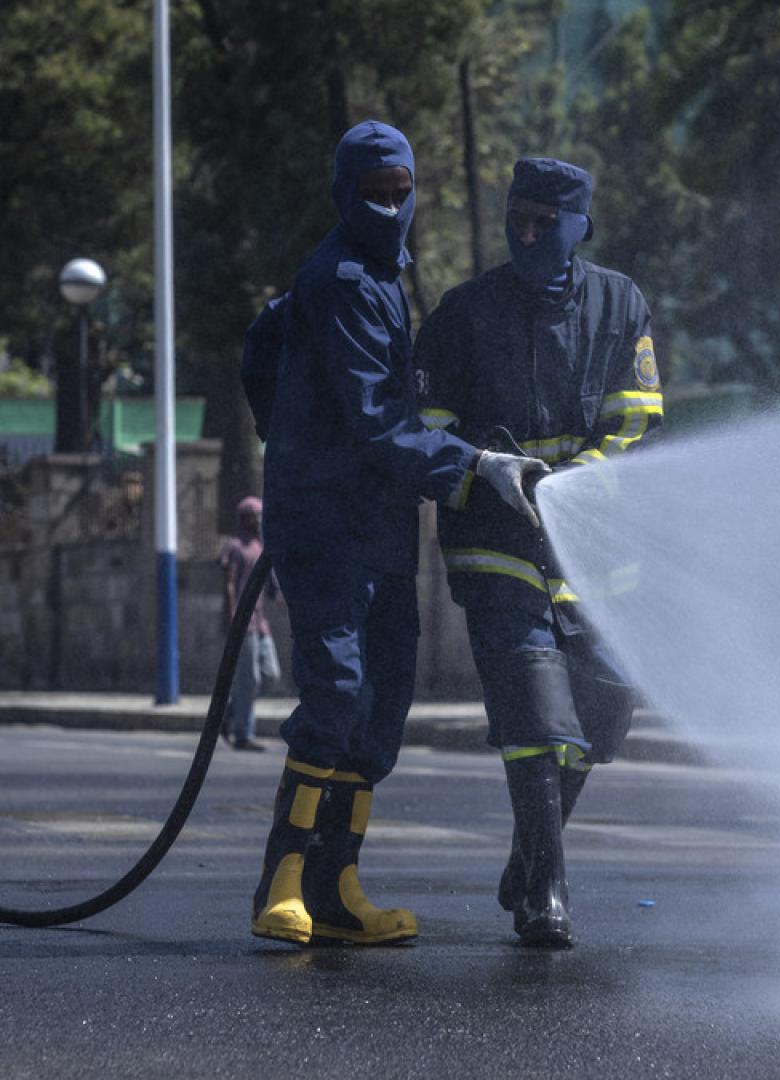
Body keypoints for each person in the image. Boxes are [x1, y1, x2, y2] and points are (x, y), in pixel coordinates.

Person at [250, 121, 545, 947]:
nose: (391, 205)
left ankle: (337, 889)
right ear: (346, 191)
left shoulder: (383, 276)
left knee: (380, 708)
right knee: (338, 692)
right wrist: (474, 462)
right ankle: (281, 883)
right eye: (375, 192)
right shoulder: (342, 278)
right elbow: (380, 420)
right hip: (326, 525)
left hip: (380, 525)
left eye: (401, 190)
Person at [415, 158, 660, 947]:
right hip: (496, 539)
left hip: (591, 545)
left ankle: (528, 853)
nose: (526, 233)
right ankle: (546, 892)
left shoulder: (621, 303)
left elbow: (635, 422)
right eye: (517, 218)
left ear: (579, 225)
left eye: (543, 222)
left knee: (607, 705)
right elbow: (428, 430)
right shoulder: (462, 313)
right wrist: (486, 472)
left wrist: (580, 481)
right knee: (533, 708)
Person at [218, 496, 279, 751]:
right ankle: (244, 733)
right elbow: (230, 582)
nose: (258, 521)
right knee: (249, 678)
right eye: (253, 516)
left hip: (260, 621)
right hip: (243, 622)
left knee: (270, 674)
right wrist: (233, 616)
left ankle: (231, 712)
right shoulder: (234, 547)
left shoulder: (261, 546)